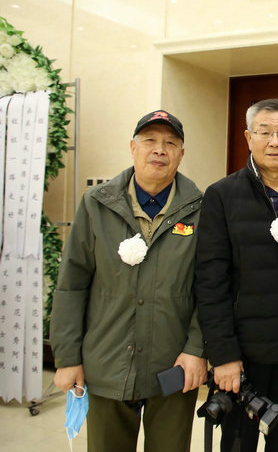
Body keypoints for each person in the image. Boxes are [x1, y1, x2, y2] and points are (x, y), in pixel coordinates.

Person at [50, 110, 206, 452]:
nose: (159, 150)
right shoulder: (96, 204)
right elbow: (72, 285)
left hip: (173, 365)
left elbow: (209, 288)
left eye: (170, 143)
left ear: (181, 154)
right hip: (107, 360)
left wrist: (196, 350)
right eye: (150, 141)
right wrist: (67, 357)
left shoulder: (200, 209)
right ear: (133, 148)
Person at [194, 99, 278, 451]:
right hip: (242, 350)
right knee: (238, 439)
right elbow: (211, 281)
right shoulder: (222, 195)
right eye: (265, 132)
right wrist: (223, 354)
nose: (275, 142)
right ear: (249, 137)